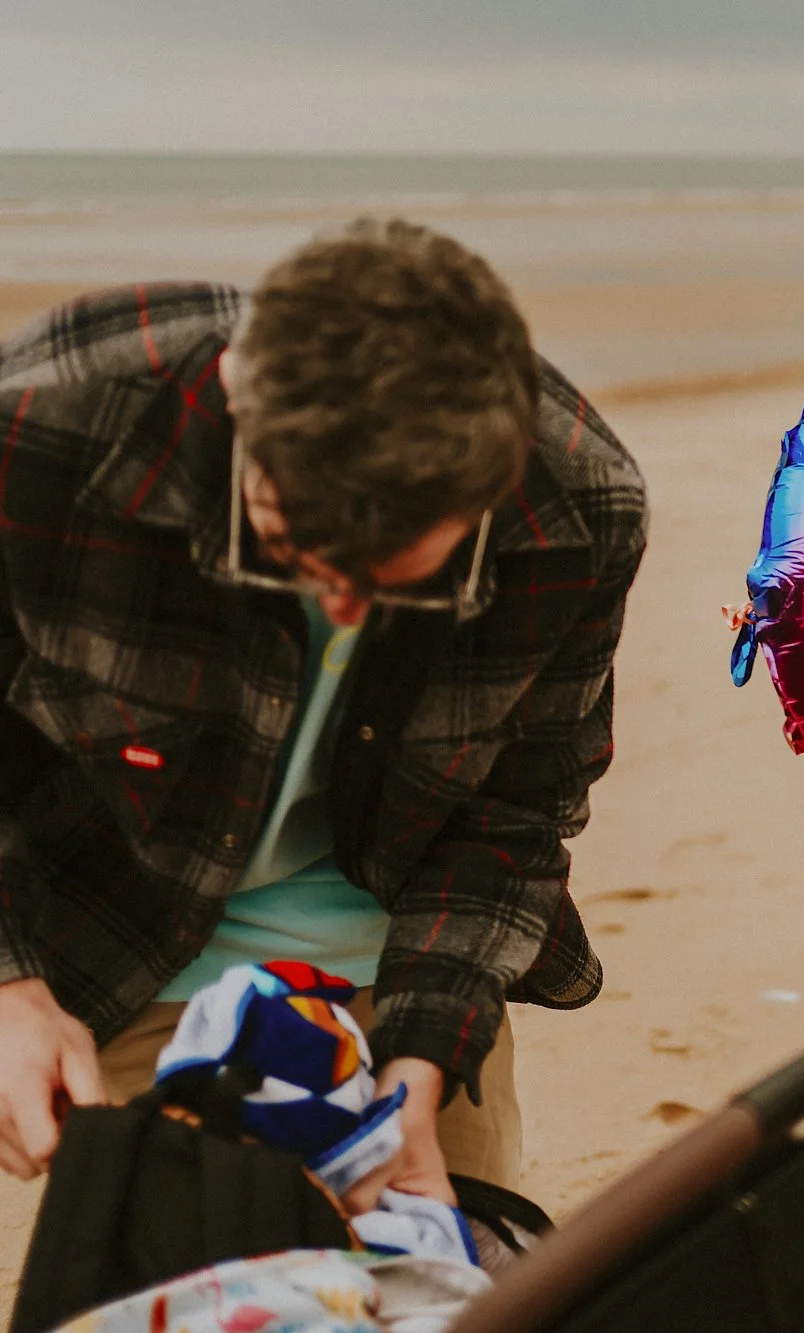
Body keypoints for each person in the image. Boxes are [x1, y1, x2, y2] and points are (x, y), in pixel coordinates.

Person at [0, 218, 648, 1208]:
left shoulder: (579, 508)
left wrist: (421, 1062)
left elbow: (514, 814)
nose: (341, 607)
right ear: (234, 406)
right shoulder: (38, 432)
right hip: (119, 926)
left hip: (409, 949)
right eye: (294, 546)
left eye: (397, 579)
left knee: (441, 1282)